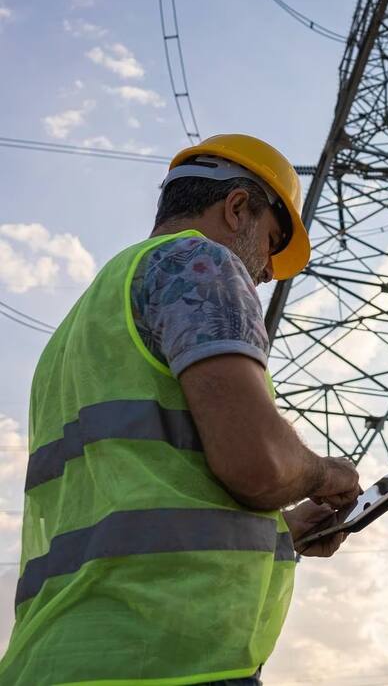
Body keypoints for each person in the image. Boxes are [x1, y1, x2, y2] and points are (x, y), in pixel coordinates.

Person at [0, 134, 361, 685]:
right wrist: (326, 472)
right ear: (238, 207)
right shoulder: (199, 263)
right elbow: (257, 464)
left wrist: (280, 531)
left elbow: (138, 494)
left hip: (64, 655)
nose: (267, 272)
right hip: (164, 657)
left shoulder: (84, 322)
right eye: (270, 242)